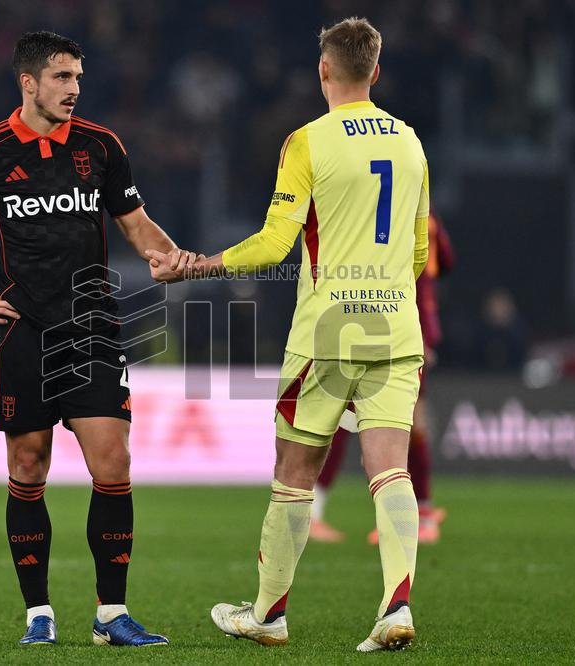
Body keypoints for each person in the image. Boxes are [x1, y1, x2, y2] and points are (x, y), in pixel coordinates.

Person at [150, 17, 429, 652]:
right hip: (396, 326)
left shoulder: (308, 141)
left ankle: (269, 614)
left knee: (295, 471)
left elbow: (276, 243)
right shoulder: (411, 143)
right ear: (376, 72)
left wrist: (200, 263)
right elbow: (418, 252)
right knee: (391, 471)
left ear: (324, 71)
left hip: (328, 329)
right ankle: (396, 606)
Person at [0, 31, 194, 647]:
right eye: (63, 77)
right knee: (27, 466)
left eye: (79, 78)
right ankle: (38, 614)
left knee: (112, 464)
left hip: (91, 327)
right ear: (29, 83)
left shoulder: (101, 146)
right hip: (22, 333)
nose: (74, 89)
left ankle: (111, 615)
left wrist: (165, 255)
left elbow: (135, 221)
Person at [310, 212, 454, 547]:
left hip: (397, 328)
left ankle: (422, 513)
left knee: (404, 422)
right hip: (393, 325)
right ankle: (415, 514)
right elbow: (445, 262)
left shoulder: (386, 217)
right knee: (355, 419)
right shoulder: (428, 218)